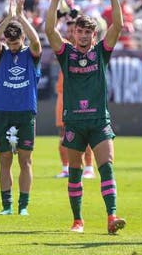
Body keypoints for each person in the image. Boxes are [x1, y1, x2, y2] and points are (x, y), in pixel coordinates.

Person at [45, 0, 125, 234]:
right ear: (74, 32)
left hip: (99, 120)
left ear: (93, 34)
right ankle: (77, 220)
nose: (82, 35)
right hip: (74, 122)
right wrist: (55, 1)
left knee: (107, 166)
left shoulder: (101, 52)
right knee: (76, 171)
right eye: (79, 31)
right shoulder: (66, 53)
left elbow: (118, 28)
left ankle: (112, 217)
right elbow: (48, 31)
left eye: (87, 31)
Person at [0, 0, 42, 216]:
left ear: (22, 38)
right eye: (9, 42)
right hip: (3, 112)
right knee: (4, 159)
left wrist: (21, 17)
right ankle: (7, 205)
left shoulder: (31, 54)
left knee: (25, 160)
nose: (12, 46)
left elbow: (37, 42)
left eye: (16, 42)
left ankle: (23, 206)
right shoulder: (2, 54)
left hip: (25, 113)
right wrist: (8, 19)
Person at [55, 19, 95, 179]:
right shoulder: (65, 49)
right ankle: (65, 167)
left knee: (87, 133)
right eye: (71, 30)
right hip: (63, 96)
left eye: (74, 30)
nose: (72, 33)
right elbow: (54, 36)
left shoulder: (88, 49)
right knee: (63, 134)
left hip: (82, 96)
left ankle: (89, 167)